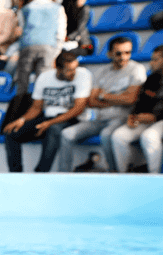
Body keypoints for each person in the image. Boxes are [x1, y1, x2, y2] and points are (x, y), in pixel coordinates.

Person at [56, 35, 143, 171]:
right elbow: (91, 101)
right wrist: (118, 98)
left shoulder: (136, 69)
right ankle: (63, 175)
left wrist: (103, 95)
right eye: (118, 53)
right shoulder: (101, 71)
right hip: (98, 119)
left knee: (106, 135)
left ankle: (115, 175)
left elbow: (130, 99)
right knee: (66, 134)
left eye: (128, 52)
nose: (123, 57)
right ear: (109, 54)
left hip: (121, 119)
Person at [3, 50, 90, 172]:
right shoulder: (45, 77)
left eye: (75, 68)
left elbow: (78, 109)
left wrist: (50, 123)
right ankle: (16, 174)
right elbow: (36, 108)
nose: (73, 73)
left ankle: (41, 172)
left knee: (52, 129)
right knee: (11, 133)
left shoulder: (83, 75)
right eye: (69, 70)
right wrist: (21, 120)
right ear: (57, 68)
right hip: (48, 118)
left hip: (72, 119)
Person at [107, 46, 163, 173]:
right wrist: (133, 116)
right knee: (118, 136)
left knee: (149, 137)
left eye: (155, 60)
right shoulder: (152, 78)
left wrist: (155, 116)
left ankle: (155, 177)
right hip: (145, 119)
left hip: (159, 120)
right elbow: (140, 101)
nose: (151, 63)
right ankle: (125, 175)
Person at [15, 0, 64, 86]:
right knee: (43, 80)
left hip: (27, 44)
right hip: (48, 46)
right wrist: (56, 51)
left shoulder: (25, 8)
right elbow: (61, 31)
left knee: (22, 80)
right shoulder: (58, 8)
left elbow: (21, 30)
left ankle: (20, 97)